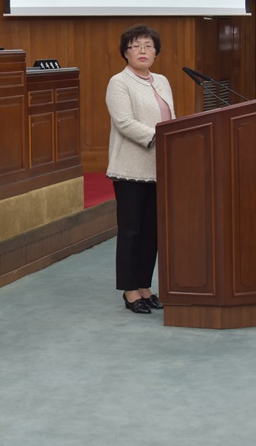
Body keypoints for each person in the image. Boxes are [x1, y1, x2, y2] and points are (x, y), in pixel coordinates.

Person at [105, 24, 175, 315]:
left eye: (148, 45)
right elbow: (124, 122)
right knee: (131, 231)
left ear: (156, 52)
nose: (143, 51)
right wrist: (161, 136)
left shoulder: (161, 81)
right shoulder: (119, 82)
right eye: (135, 46)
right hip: (130, 168)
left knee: (152, 232)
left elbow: (172, 117)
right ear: (125, 53)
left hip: (160, 168)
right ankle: (130, 290)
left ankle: (145, 286)